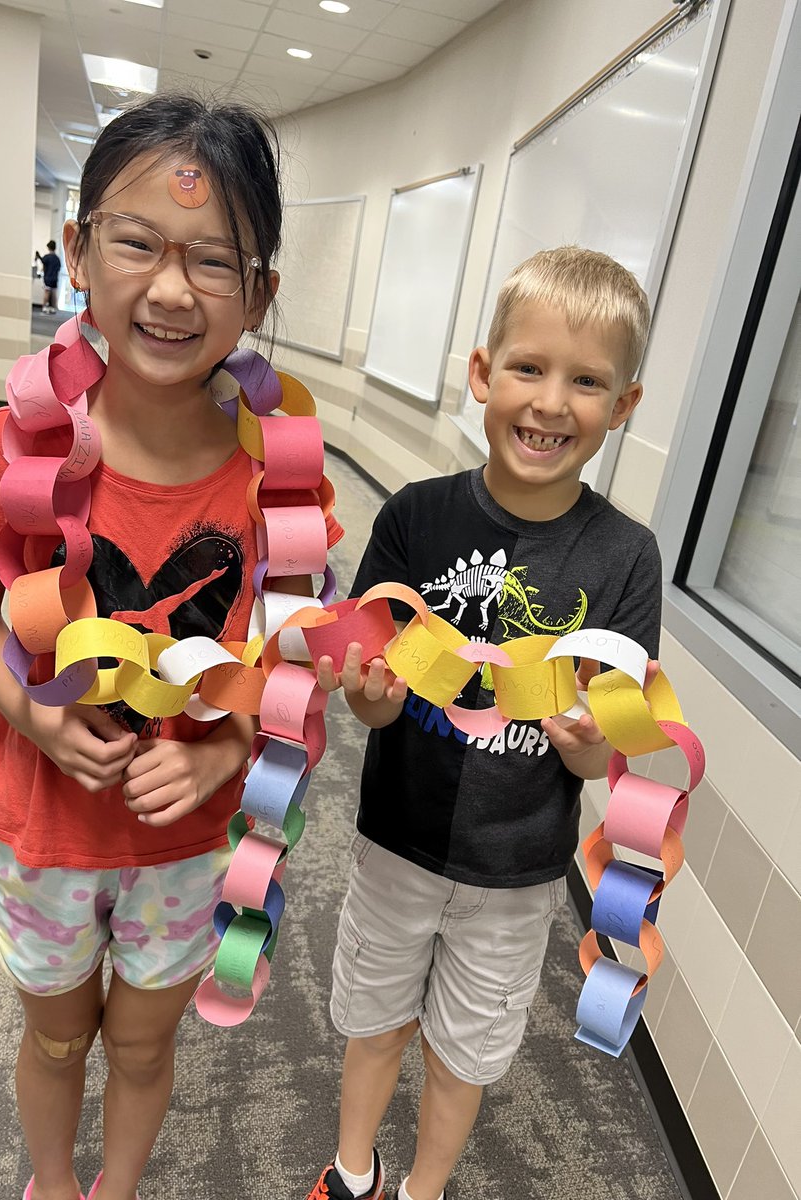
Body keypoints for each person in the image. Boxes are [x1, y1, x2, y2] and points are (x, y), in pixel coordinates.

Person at [0, 93, 340, 1200]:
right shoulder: (18, 450)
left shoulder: (277, 480)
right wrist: (32, 712)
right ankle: (54, 1182)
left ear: (261, 294)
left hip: (189, 844)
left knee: (147, 1047)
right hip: (45, 832)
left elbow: (293, 669)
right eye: (137, 243)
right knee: (59, 1039)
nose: (168, 288)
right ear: (78, 248)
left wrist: (220, 755)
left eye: (214, 261)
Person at [309, 246, 661, 1200]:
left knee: (466, 1050)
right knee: (374, 1018)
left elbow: (614, 726)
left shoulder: (625, 556)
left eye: (587, 382)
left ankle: (423, 1190)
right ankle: (351, 1172)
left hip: (516, 867)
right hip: (399, 839)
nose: (551, 403)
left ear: (621, 408)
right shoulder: (417, 520)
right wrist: (370, 696)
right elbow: (368, 685)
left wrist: (593, 746)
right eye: (529, 368)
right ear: (481, 374)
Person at [35, 239, 62, 313]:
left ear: (48, 248)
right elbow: (58, 268)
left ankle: (44, 307)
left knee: (47, 292)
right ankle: (53, 308)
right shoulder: (57, 259)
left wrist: (38, 256)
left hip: (48, 278)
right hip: (54, 279)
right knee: (54, 294)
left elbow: (42, 261)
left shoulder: (47, 257)